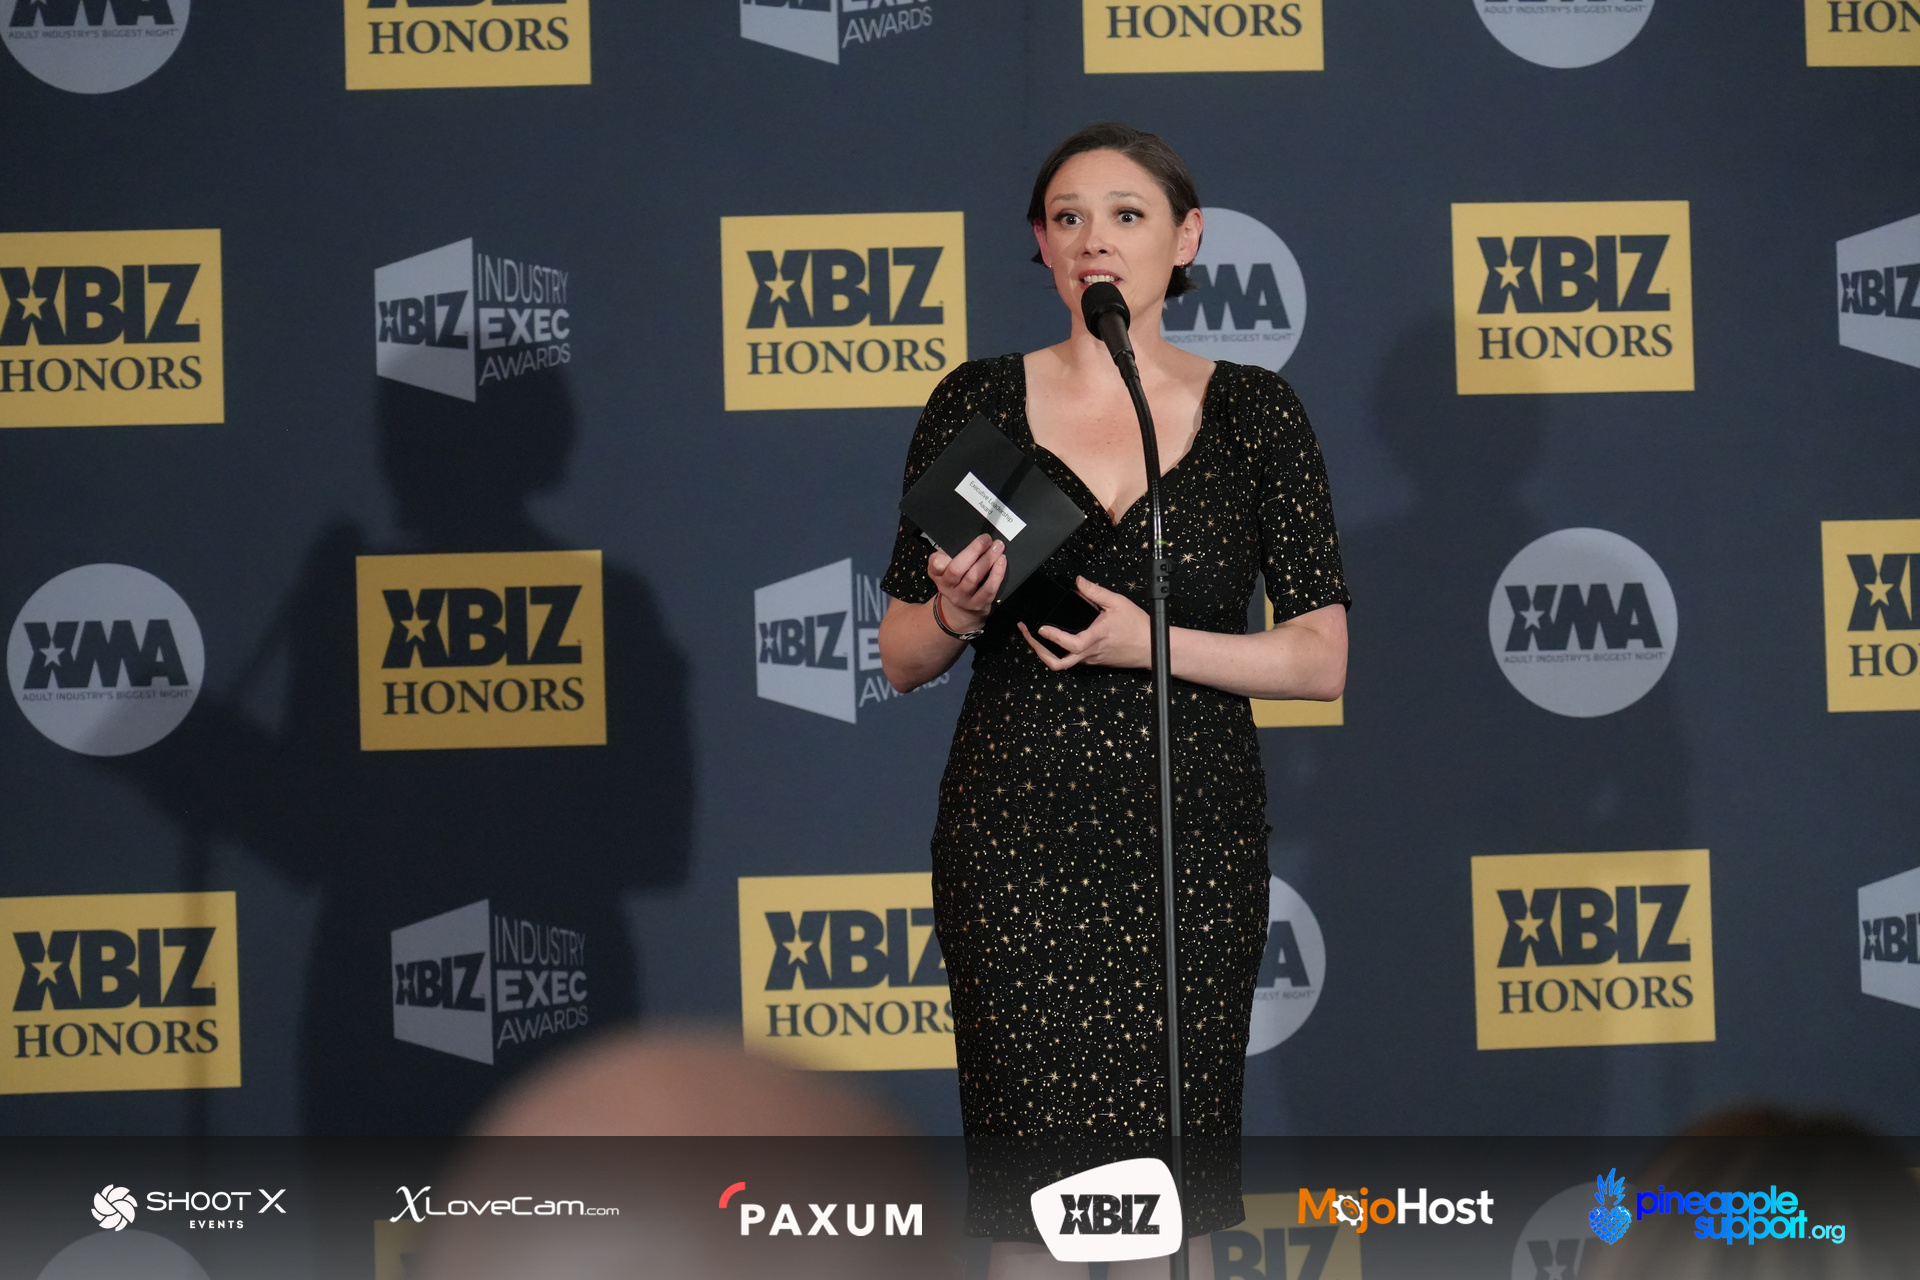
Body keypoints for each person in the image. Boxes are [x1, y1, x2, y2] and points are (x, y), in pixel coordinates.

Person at [877, 122, 1350, 1280]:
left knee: (1167, 1196)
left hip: (1189, 837)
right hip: (1016, 831)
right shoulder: (978, 402)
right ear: (1041, 246)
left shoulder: (1256, 412)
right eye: (1069, 217)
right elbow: (899, 653)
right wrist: (956, 609)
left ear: (1186, 239)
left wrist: (1152, 640)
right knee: (1031, 1203)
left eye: (1127, 214)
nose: (1095, 239)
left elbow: (1319, 657)